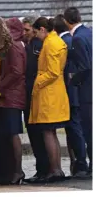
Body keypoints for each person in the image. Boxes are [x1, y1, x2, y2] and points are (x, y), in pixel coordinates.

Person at [29, 17, 70, 182]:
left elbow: (52, 72)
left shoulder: (50, 44)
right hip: (54, 92)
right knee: (51, 132)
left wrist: (37, 82)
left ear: (42, 30)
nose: (35, 35)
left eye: (36, 32)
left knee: (48, 132)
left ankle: (55, 170)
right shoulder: (56, 41)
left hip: (49, 94)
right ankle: (57, 169)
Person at [53, 14, 88, 177]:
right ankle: (78, 163)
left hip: (71, 91)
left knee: (75, 128)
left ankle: (80, 163)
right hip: (75, 91)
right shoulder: (73, 39)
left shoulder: (67, 42)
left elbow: (77, 67)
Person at [0, 17, 27, 185]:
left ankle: (17, 170)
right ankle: (13, 169)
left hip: (11, 96)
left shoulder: (13, 47)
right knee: (10, 133)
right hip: (13, 94)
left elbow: (16, 71)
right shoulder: (18, 44)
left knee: (13, 133)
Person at [63, 7, 92, 177]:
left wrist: (73, 82)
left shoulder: (78, 38)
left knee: (88, 129)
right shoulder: (88, 33)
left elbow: (85, 66)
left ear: (67, 21)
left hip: (86, 90)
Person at [22, 17, 50, 183]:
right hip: (29, 94)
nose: (25, 33)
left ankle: (44, 168)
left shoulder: (37, 46)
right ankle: (41, 168)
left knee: (37, 133)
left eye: (27, 30)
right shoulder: (29, 45)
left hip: (35, 94)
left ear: (35, 29)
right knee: (33, 133)